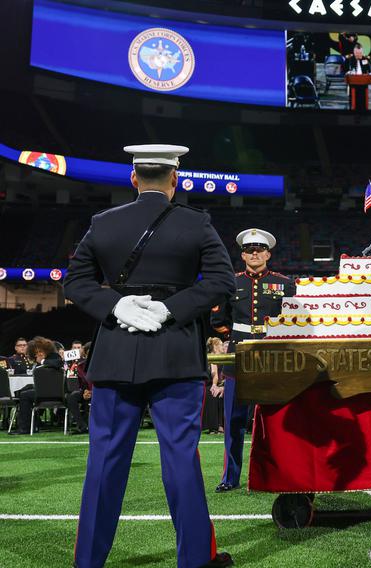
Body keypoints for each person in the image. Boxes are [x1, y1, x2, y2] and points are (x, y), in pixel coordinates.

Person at [63, 144, 235, 568]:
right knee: (180, 458)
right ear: (175, 180)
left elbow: (75, 281)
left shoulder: (103, 223)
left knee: (104, 459)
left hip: (116, 351)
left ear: (133, 178)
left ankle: (88, 562)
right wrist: (169, 308)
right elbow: (221, 281)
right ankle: (194, 561)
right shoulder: (196, 224)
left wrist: (115, 306)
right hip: (174, 351)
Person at [211, 228, 291, 493]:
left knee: (275, 421)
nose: (254, 254)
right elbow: (218, 321)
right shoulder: (230, 283)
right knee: (233, 421)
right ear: (243, 254)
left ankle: (277, 474)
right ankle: (230, 477)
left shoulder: (286, 284)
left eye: (259, 250)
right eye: (249, 250)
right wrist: (232, 339)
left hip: (273, 359)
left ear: (268, 253)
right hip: (238, 358)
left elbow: (294, 321)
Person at [10, 336, 64, 435]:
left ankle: (25, 428)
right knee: (24, 391)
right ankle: (34, 423)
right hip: (43, 390)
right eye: (36, 351)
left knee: (25, 395)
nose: (39, 353)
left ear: (46, 349)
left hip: (53, 392)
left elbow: (58, 363)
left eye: (40, 350)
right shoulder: (36, 360)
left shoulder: (54, 357)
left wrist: (42, 361)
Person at [65, 340, 92, 434]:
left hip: (100, 390)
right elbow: (82, 383)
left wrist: (92, 391)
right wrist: (85, 391)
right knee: (72, 396)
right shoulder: (80, 366)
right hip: (87, 391)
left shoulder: (102, 364)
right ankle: (82, 425)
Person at [343, 43, 371, 111]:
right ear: (354, 52)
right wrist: (348, 72)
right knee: (354, 100)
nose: (358, 55)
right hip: (353, 83)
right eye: (357, 53)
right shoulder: (349, 59)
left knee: (363, 99)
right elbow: (344, 69)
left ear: (362, 52)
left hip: (364, 83)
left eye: (360, 53)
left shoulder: (366, 59)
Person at [203, 338, 225, 435]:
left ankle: (220, 425)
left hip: (217, 384)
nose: (222, 346)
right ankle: (214, 426)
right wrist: (214, 385)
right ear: (215, 347)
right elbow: (214, 374)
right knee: (213, 393)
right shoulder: (213, 357)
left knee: (220, 395)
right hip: (210, 385)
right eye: (220, 345)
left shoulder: (221, 357)